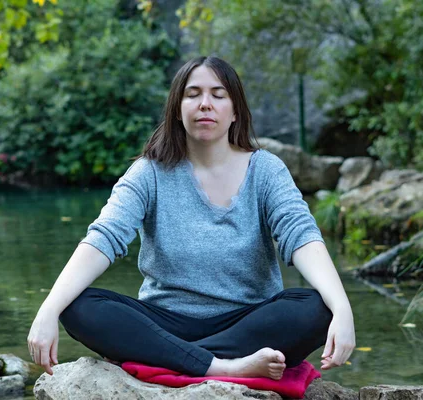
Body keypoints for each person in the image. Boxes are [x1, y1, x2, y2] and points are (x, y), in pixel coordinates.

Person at [27, 56, 356, 380]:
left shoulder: (266, 170)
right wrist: (49, 309)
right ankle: (223, 367)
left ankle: (171, 356)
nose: (205, 104)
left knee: (317, 307)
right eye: (193, 93)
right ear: (177, 109)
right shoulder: (149, 173)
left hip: (248, 321)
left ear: (235, 110)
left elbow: (301, 235)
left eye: (218, 94)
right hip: (165, 319)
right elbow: (104, 237)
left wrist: (342, 308)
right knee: (78, 305)